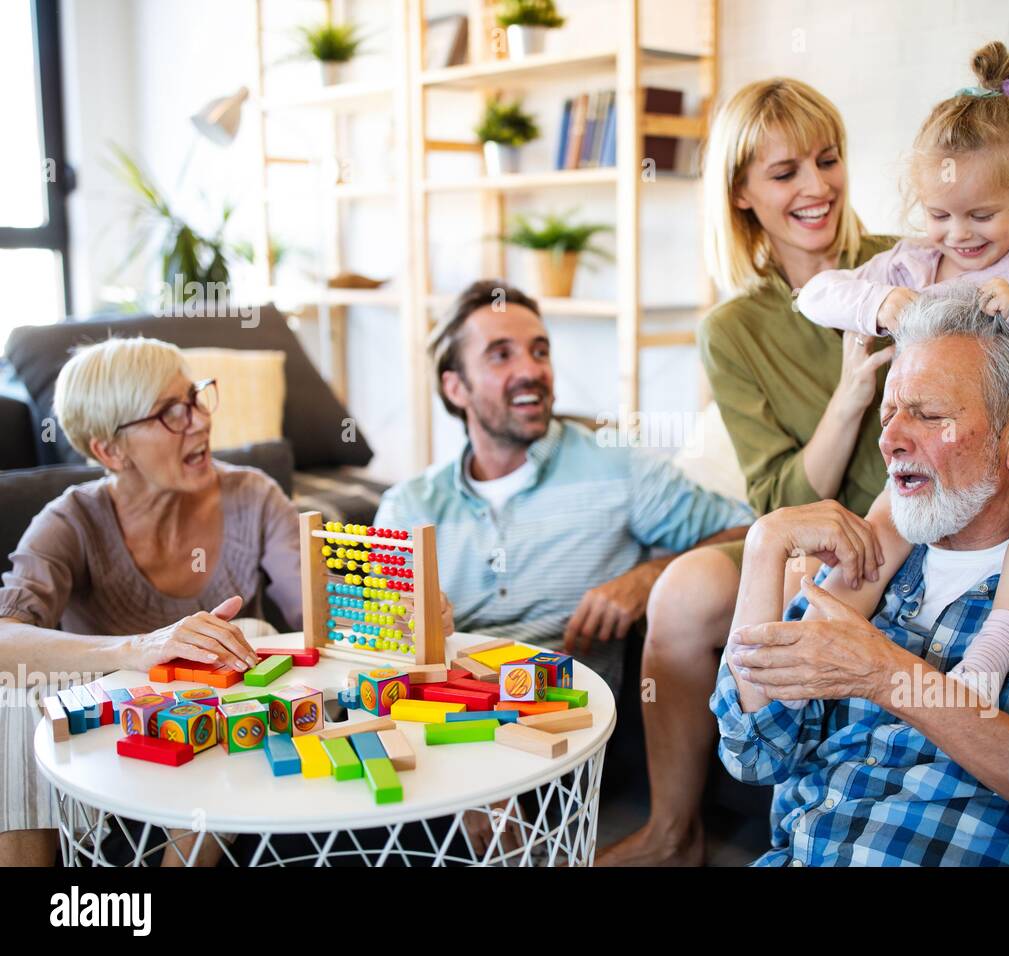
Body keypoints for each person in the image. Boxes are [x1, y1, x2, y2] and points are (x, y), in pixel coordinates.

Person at [715, 287, 1009, 866]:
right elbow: (754, 753)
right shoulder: (875, 558)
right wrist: (764, 547)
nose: (889, 440)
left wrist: (889, 676)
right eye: (889, 413)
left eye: (929, 414)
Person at [600, 77, 896, 865]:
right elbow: (780, 501)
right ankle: (674, 833)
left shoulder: (903, 270)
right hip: (803, 523)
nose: (816, 187)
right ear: (740, 194)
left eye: (826, 161)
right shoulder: (734, 329)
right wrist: (850, 394)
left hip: (899, 529)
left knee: (805, 581)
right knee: (684, 590)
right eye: (783, 172)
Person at [797, 41, 1009, 702]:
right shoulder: (914, 263)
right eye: (939, 215)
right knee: (885, 521)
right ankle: (816, 631)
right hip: (938, 457)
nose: (959, 235)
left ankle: (992, 648)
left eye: (982, 216)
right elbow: (814, 294)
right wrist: (878, 302)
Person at [0, 337, 302, 867]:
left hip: (218, 754)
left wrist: (404, 616)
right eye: (171, 413)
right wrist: (138, 649)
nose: (200, 421)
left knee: (255, 635)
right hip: (106, 756)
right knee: (13, 694)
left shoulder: (255, 495)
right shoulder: (71, 520)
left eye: (196, 398)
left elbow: (316, 612)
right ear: (111, 451)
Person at [374, 279, 752, 688]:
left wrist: (650, 578)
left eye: (540, 351)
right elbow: (371, 627)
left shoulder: (621, 467)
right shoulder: (407, 508)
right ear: (455, 387)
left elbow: (747, 532)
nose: (532, 370)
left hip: (566, 723)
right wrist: (403, 620)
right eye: (501, 355)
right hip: (434, 717)